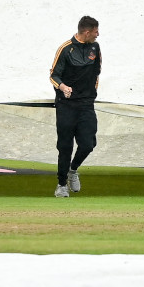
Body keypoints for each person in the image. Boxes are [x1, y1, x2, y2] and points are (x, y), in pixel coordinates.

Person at [48, 16, 102, 198]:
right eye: (95, 32)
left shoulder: (95, 48)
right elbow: (53, 75)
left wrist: (91, 93)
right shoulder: (65, 49)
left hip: (86, 104)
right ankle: (61, 184)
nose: (98, 35)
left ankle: (73, 169)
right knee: (65, 146)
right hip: (66, 105)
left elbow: (97, 72)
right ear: (87, 32)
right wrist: (63, 87)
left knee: (88, 143)